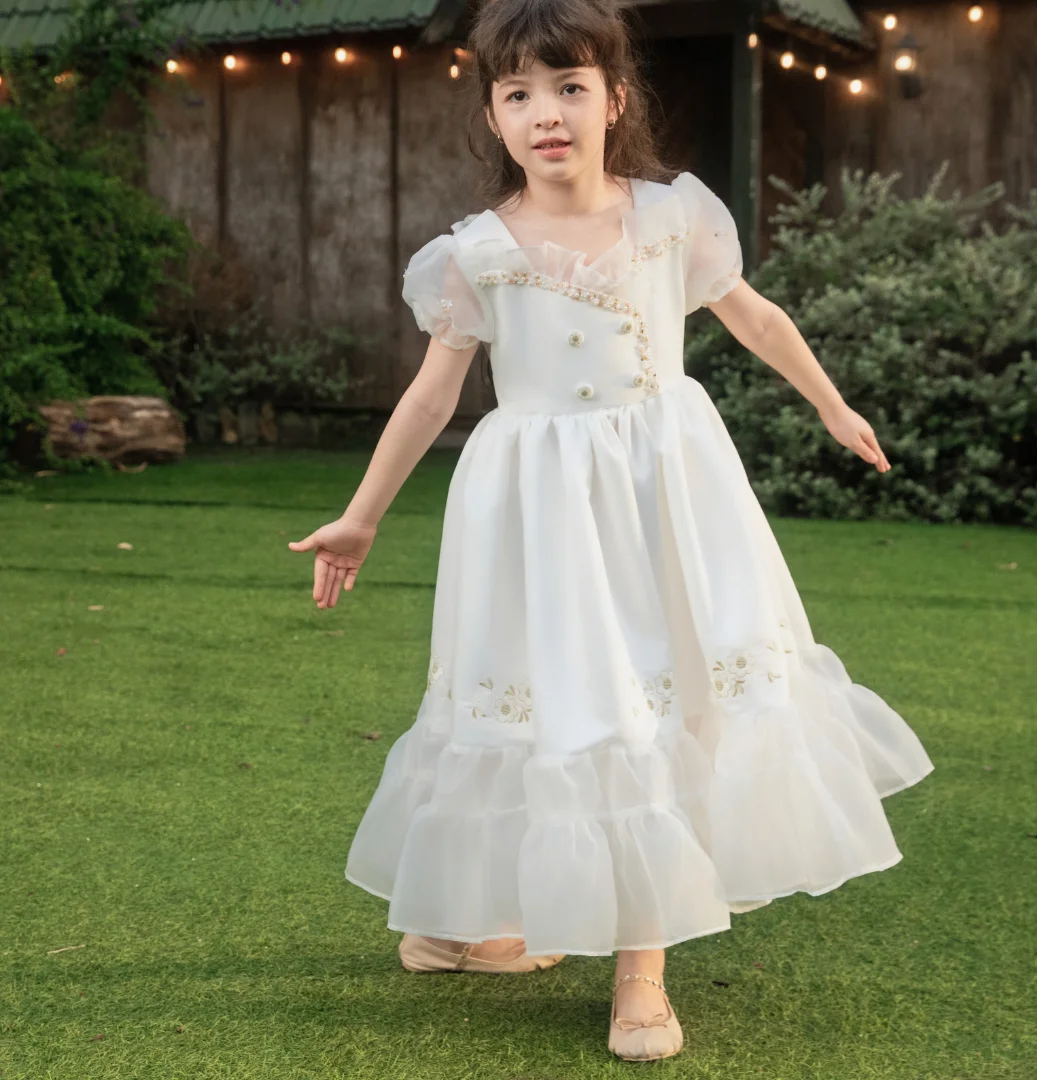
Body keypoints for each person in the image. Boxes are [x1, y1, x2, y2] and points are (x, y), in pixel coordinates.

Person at [288, 0, 934, 1062]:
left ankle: (642, 975)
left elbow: (753, 314)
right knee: (555, 703)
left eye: (570, 87)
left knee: (659, 698)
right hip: (539, 515)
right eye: (519, 94)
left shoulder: (672, 218)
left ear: (615, 100)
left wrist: (830, 403)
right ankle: (461, 929)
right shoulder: (474, 256)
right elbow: (430, 396)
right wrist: (360, 519)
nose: (547, 113)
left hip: (668, 495)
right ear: (494, 117)